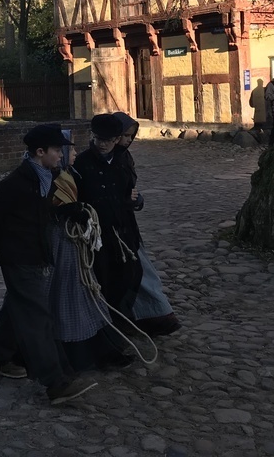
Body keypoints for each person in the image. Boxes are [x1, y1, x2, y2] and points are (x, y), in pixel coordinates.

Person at [0, 124, 98, 405]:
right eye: (56, 150)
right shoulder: (14, 184)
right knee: (37, 316)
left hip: (35, 253)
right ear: (40, 152)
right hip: (19, 256)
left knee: (17, 305)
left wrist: (67, 211)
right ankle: (56, 381)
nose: (60, 155)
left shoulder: (46, 178)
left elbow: (42, 211)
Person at [49, 129, 134, 371]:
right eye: (70, 150)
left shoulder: (69, 175)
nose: (74, 153)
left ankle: (101, 346)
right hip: (61, 248)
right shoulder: (53, 180)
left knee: (87, 291)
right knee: (70, 294)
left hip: (76, 245)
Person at [111, 112, 181, 337]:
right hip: (112, 225)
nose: (127, 140)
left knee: (141, 270)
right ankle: (148, 316)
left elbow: (130, 187)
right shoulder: (104, 159)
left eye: (130, 136)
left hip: (127, 224)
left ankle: (155, 314)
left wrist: (135, 199)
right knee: (133, 271)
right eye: (124, 136)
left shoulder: (125, 157)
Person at [72, 114, 144, 321]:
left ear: (116, 139)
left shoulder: (122, 160)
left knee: (132, 274)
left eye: (108, 140)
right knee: (104, 278)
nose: (102, 144)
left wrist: (135, 200)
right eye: (98, 139)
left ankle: (121, 318)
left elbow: (131, 192)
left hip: (124, 229)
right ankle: (107, 324)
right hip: (97, 234)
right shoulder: (82, 163)